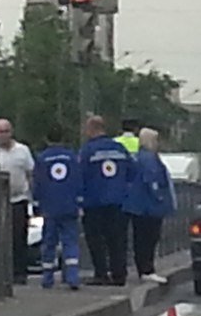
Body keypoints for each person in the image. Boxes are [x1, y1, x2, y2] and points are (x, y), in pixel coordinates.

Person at [78, 115, 135, 286]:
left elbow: (80, 175)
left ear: (91, 129)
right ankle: (119, 274)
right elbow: (132, 172)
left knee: (96, 239)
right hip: (119, 201)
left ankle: (101, 273)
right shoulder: (119, 148)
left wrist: (80, 199)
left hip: (94, 202)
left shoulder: (87, 150)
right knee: (118, 239)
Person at [124, 127, 176, 284]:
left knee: (140, 238)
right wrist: (159, 197)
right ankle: (147, 269)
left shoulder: (138, 157)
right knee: (149, 238)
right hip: (149, 206)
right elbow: (152, 179)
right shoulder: (149, 159)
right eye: (156, 140)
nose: (158, 143)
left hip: (138, 205)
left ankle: (144, 269)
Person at [34, 128, 83, 290]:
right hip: (69, 205)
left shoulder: (42, 158)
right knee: (70, 241)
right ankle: (72, 277)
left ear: (46, 139)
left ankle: (47, 277)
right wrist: (79, 201)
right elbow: (78, 180)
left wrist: (37, 203)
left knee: (49, 242)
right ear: (63, 138)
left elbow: (38, 183)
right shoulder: (72, 157)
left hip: (50, 206)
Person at [0, 119, 34, 285]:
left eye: (7, 131)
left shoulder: (22, 150)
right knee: (0, 238)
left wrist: (31, 196)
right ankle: (1, 272)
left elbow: (30, 173)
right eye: (0, 132)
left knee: (19, 237)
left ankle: (20, 273)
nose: (4, 135)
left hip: (19, 200)